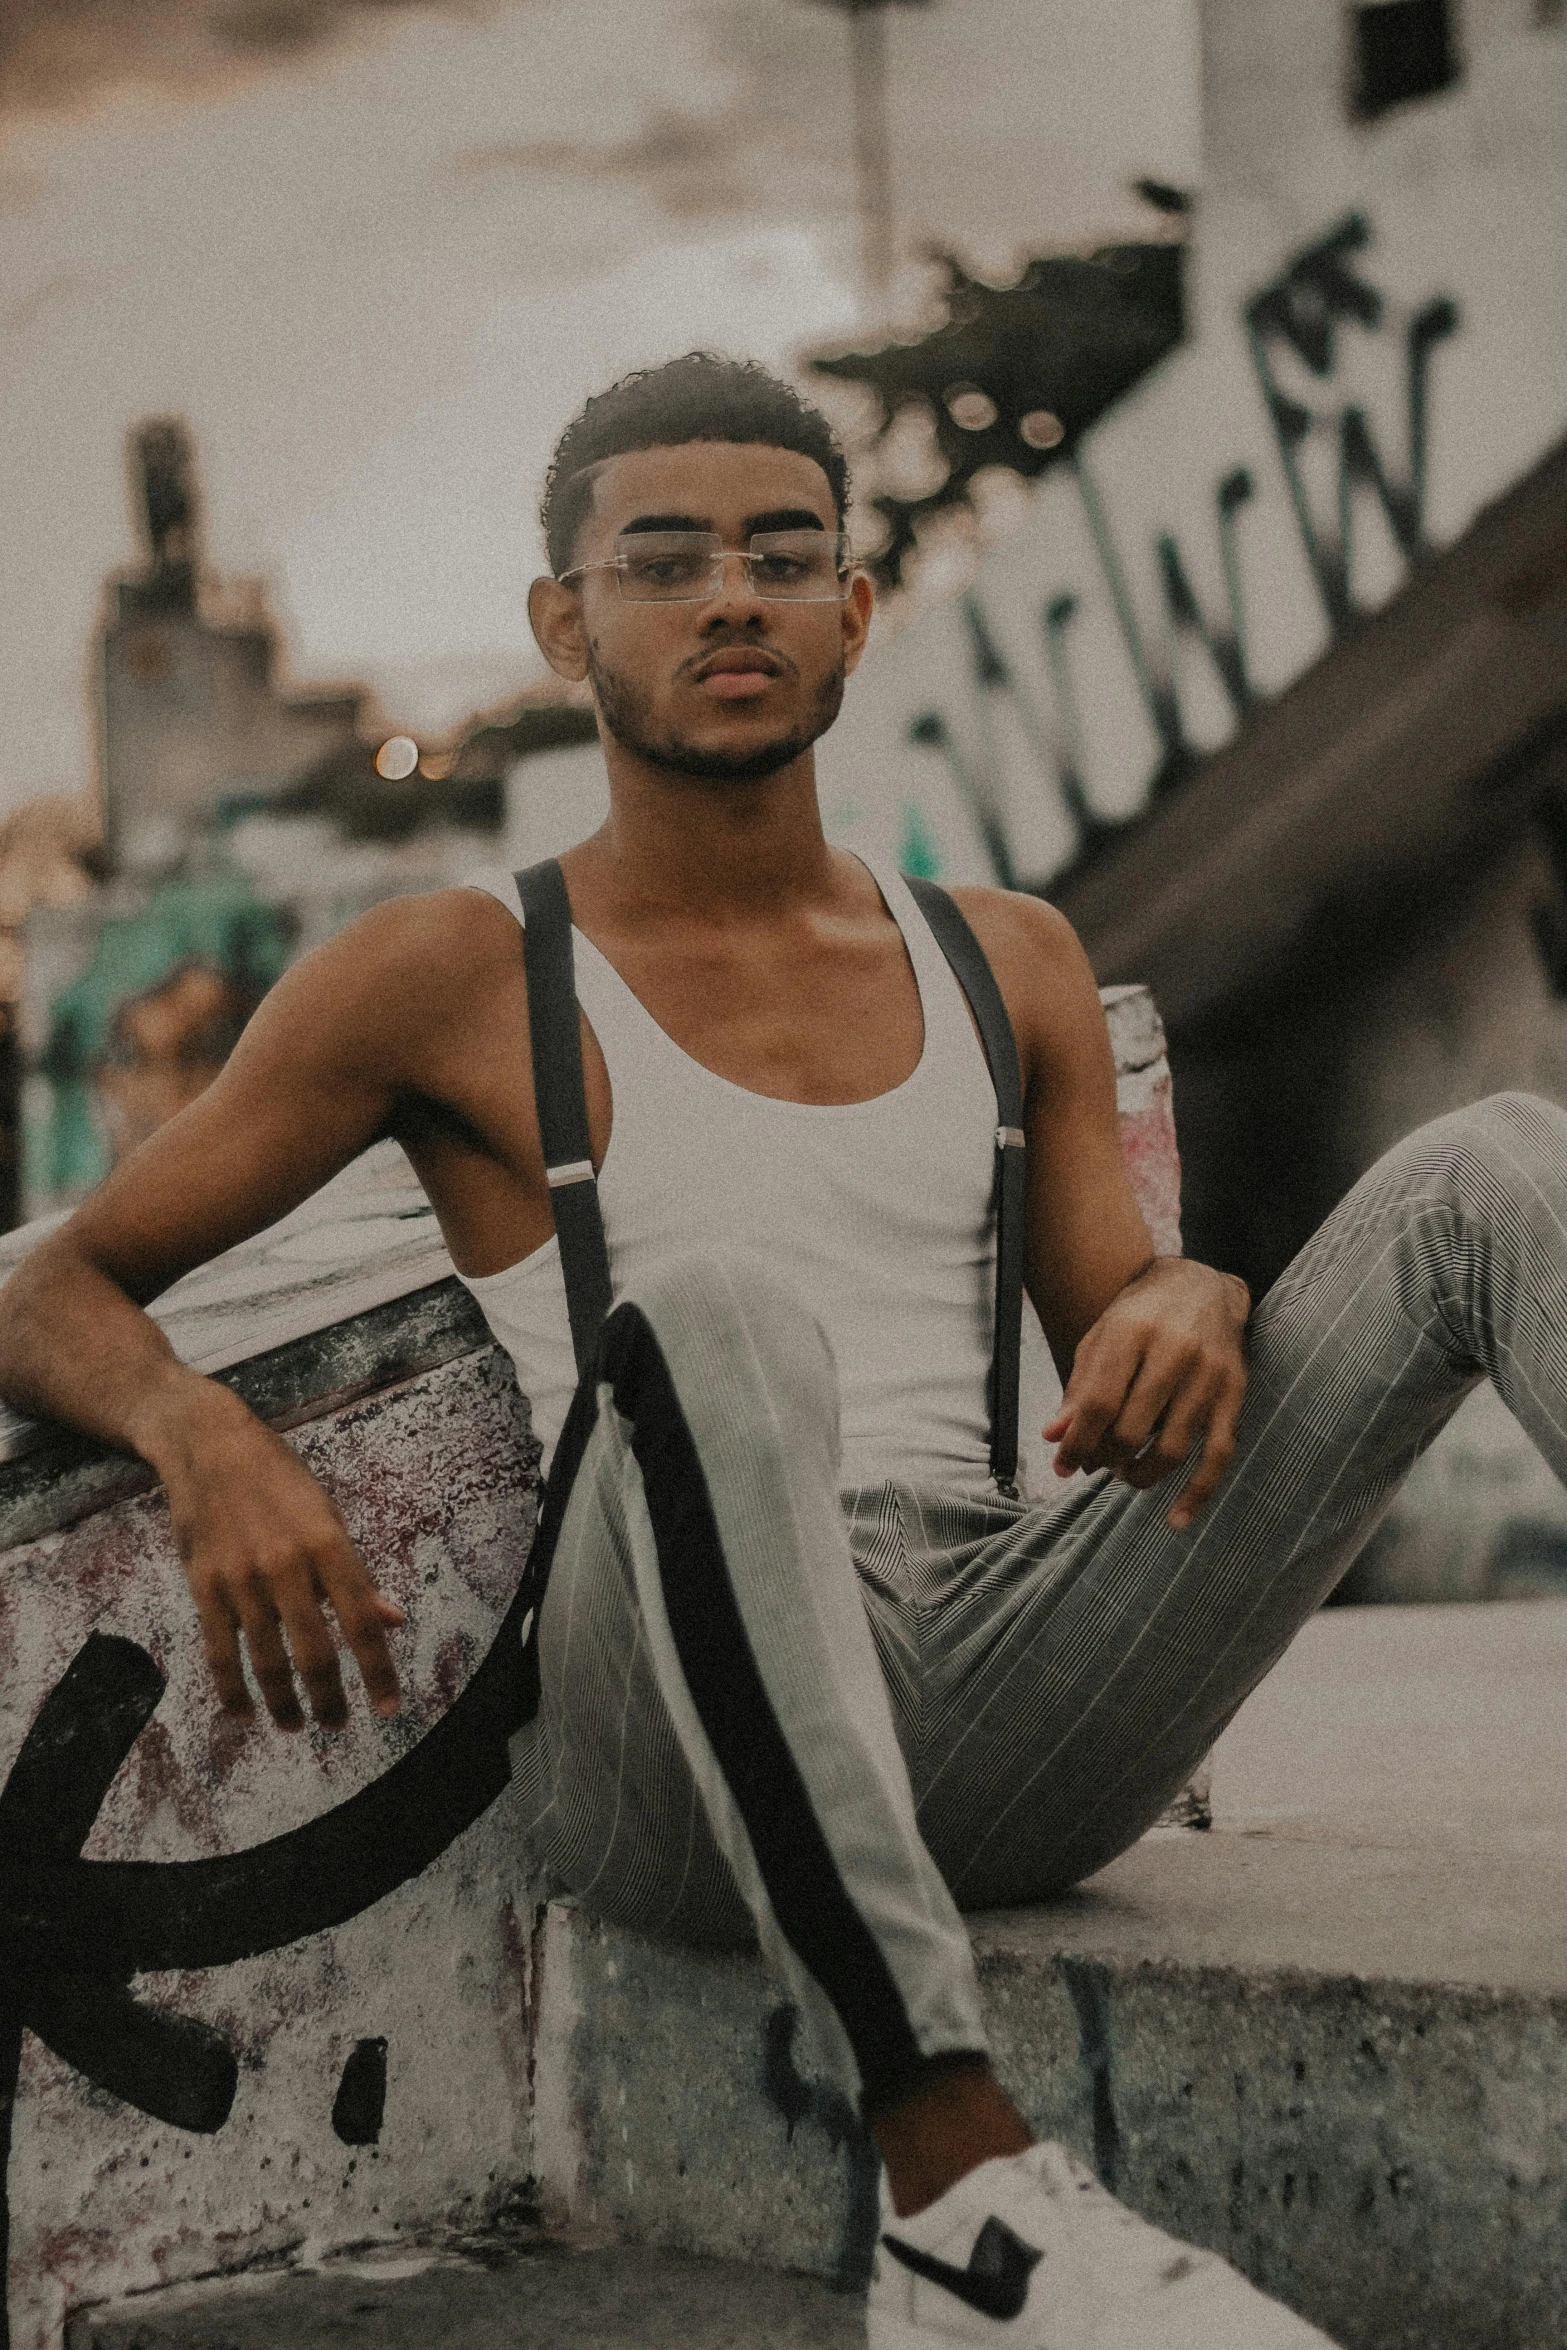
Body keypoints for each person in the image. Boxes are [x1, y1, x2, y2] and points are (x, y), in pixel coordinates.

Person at [2, 355, 1562, 2350]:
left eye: (782, 553)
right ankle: (962, 2200)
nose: (731, 596)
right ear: (566, 623)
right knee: (716, 1309)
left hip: (1005, 1674)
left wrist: (1192, 1295)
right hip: (663, 1750)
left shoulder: (1010, 956)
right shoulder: (454, 969)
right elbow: (48, 1284)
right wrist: (199, 1434)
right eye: (665, 561)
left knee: (1495, 1165)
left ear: (849, 611)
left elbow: (1119, 1346)